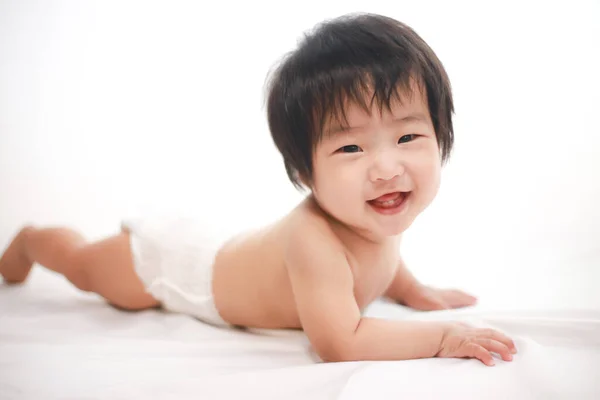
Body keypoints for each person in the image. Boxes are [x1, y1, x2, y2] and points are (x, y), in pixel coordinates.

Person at [0, 13, 516, 366]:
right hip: (172, 270)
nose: (385, 168)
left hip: (228, 251)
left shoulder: (373, 212)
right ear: (304, 173)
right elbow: (341, 341)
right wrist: (443, 336)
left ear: (442, 137)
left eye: (407, 136)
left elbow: (382, 254)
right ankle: (34, 240)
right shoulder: (315, 240)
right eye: (350, 149)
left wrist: (408, 289)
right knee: (86, 266)